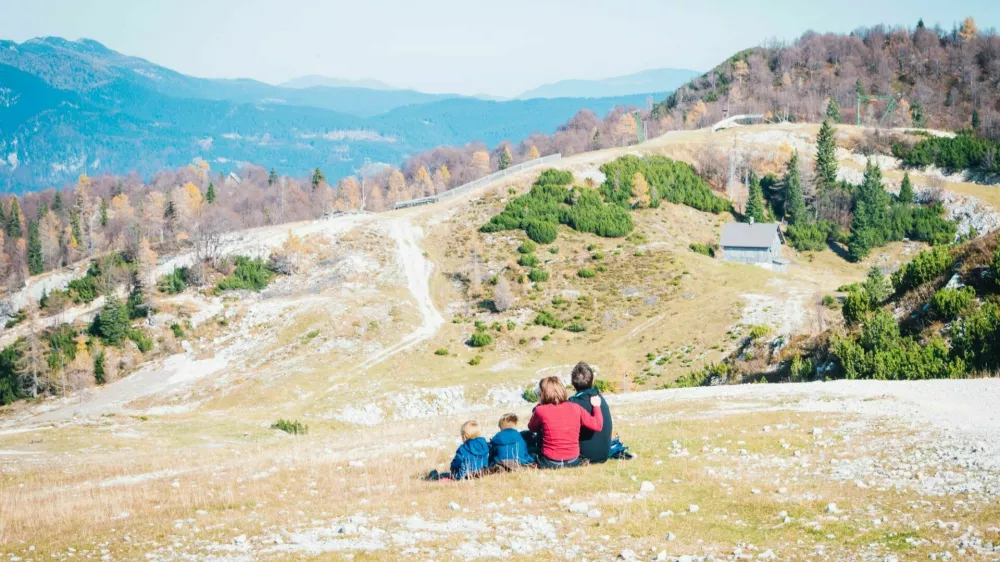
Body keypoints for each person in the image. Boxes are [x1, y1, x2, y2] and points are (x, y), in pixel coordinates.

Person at [527, 376, 603, 469]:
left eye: (539, 393)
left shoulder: (541, 410)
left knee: (528, 446)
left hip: (550, 461)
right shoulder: (576, 408)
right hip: (573, 460)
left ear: (543, 394)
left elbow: (532, 428)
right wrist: (596, 407)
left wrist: (539, 404)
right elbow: (598, 425)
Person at [567, 362, 613, 464]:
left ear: (573, 383)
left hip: (585, 456)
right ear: (592, 380)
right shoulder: (600, 398)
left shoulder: (573, 403)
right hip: (603, 454)